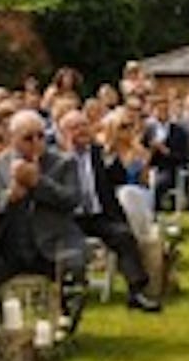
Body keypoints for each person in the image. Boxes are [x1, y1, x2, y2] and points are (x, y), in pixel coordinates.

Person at [0, 111, 95, 330]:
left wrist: (38, 183)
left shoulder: (63, 163)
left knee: (75, 268)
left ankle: (64, 329)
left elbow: (72, 199)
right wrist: (8, 197)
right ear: (12, 138)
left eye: (41, 136)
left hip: (53, 245)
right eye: (28, 138)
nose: (36, 143)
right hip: (7, 248)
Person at [58, 110, 160, 312]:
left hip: (98, 215)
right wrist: (68, 155)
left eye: (84, 125)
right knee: (67, 248)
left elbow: (119, 178)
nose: (81, 131)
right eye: (75, 127)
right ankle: (67, 295)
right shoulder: (56, 158)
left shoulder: (98, 153)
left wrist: (113, 158)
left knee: (123, 235)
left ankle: (136, 292)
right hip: (70, 218)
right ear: (64, 133)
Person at [143, 95, 189, 211]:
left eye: (165, 110)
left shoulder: (179, 131)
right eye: (159, 110)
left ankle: (154, 212)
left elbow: (184, 157)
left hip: (168, 169)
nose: (162, 113)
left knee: (158, 184)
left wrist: (165, 151)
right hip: (146, 168)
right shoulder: (147, 130)